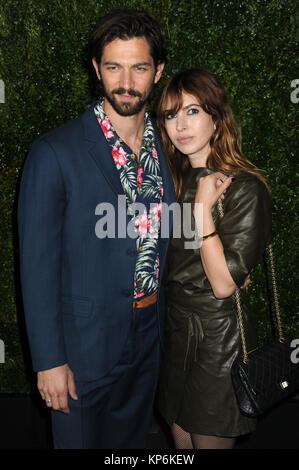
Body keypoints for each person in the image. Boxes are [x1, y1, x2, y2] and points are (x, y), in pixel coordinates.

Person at [17, 9, 175, 449]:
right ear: (96, 69)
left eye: (139, 67)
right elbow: (36, 267)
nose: (126, 81)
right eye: (113, 66)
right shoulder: (53, 152)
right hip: (81, 351)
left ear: (157, 71)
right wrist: (49, 361)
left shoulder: (169, 146)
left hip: (148, 340)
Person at [156, 68, 272, 449]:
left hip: (218, 342)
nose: (180, 125)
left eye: (192, 111)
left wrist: (203, 211)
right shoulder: (173, 184)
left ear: (216, 118)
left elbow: (223, 285)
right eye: (171, 115)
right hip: (175, 335)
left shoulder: (245, 187)